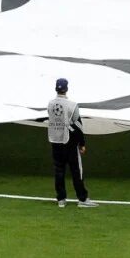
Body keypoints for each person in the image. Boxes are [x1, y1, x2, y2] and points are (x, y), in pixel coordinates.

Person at [47, 78, 98, 207]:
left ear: (56, 89)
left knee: (59, 171)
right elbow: (78, 126)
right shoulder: (72, 105)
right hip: (69, 142)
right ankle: (82, 199)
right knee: (76, 171)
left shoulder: (50, 104)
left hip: (55, 140)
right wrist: (82, 143)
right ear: (66, 89)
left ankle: (61, 199)